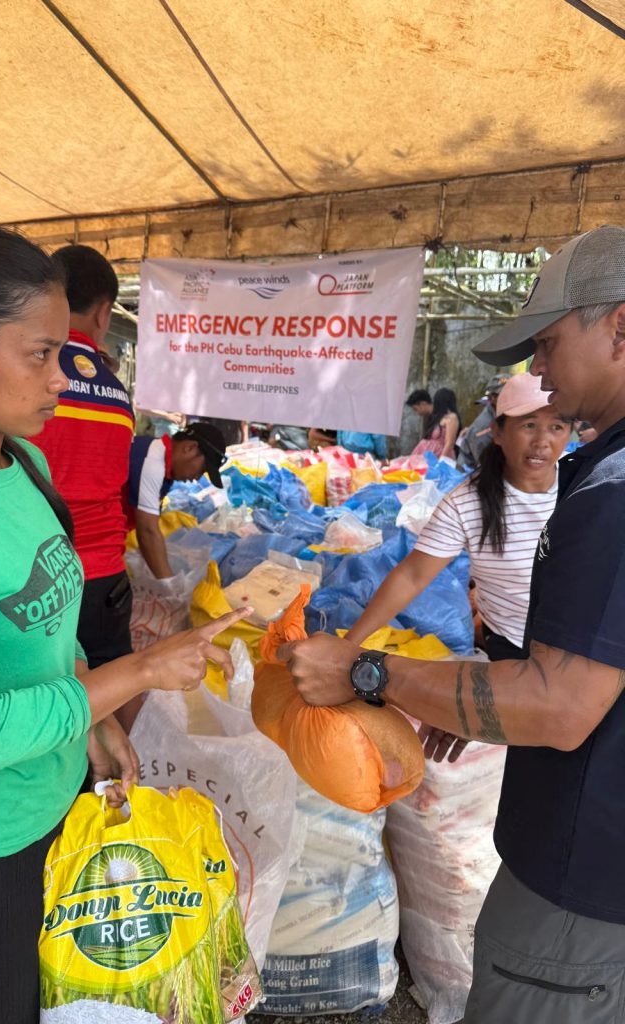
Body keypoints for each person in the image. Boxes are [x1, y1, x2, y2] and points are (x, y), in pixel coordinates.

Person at [0, 227, 247, 1024]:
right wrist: (135, 674)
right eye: (38, 354)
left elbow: (52, 631)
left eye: (63, 352)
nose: (61, 379)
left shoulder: (21, 466)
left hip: (59, 801)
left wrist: (96, 719)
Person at [281, 224, 625, 1023]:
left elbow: (562, 706)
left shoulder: (613, 493)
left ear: (618, 326)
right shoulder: (569, 482)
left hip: (583, 887)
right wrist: (476, 694)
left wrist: (365, 671)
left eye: (545, 342)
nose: (538, 371)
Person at [346, 374, 570, 676]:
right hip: (516, 651)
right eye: (528, 425)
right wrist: (347, 646)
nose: (543, 441)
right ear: (498, 432)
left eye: (557, 426)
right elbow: (412, 576)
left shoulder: (584, 483)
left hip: (585, 646)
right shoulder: (467, 503)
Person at [30, 246, 136, 712]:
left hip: (35, 577)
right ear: (104, 312)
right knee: (109, 690)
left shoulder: (27, 377)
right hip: (103, 575)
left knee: (43, 699)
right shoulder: (118, 393)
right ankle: (112, 784)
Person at [128, 422, 227, 579]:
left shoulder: (159, 462)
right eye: (202, 470)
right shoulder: (152, 461)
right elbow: (147, 532)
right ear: (190, 448)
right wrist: (170, 587)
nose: (196, 478)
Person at [456, 374, 510, 471]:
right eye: (505, 395)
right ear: (492, 398)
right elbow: (487, 470)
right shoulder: (483, 431)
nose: (512, 398)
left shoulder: (510, 414)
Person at [410, 387, 461, 461]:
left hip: (441, 457)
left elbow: (449, 443)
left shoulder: (452, 418)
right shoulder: (437, 418)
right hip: (431, 456)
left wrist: (440, 461)